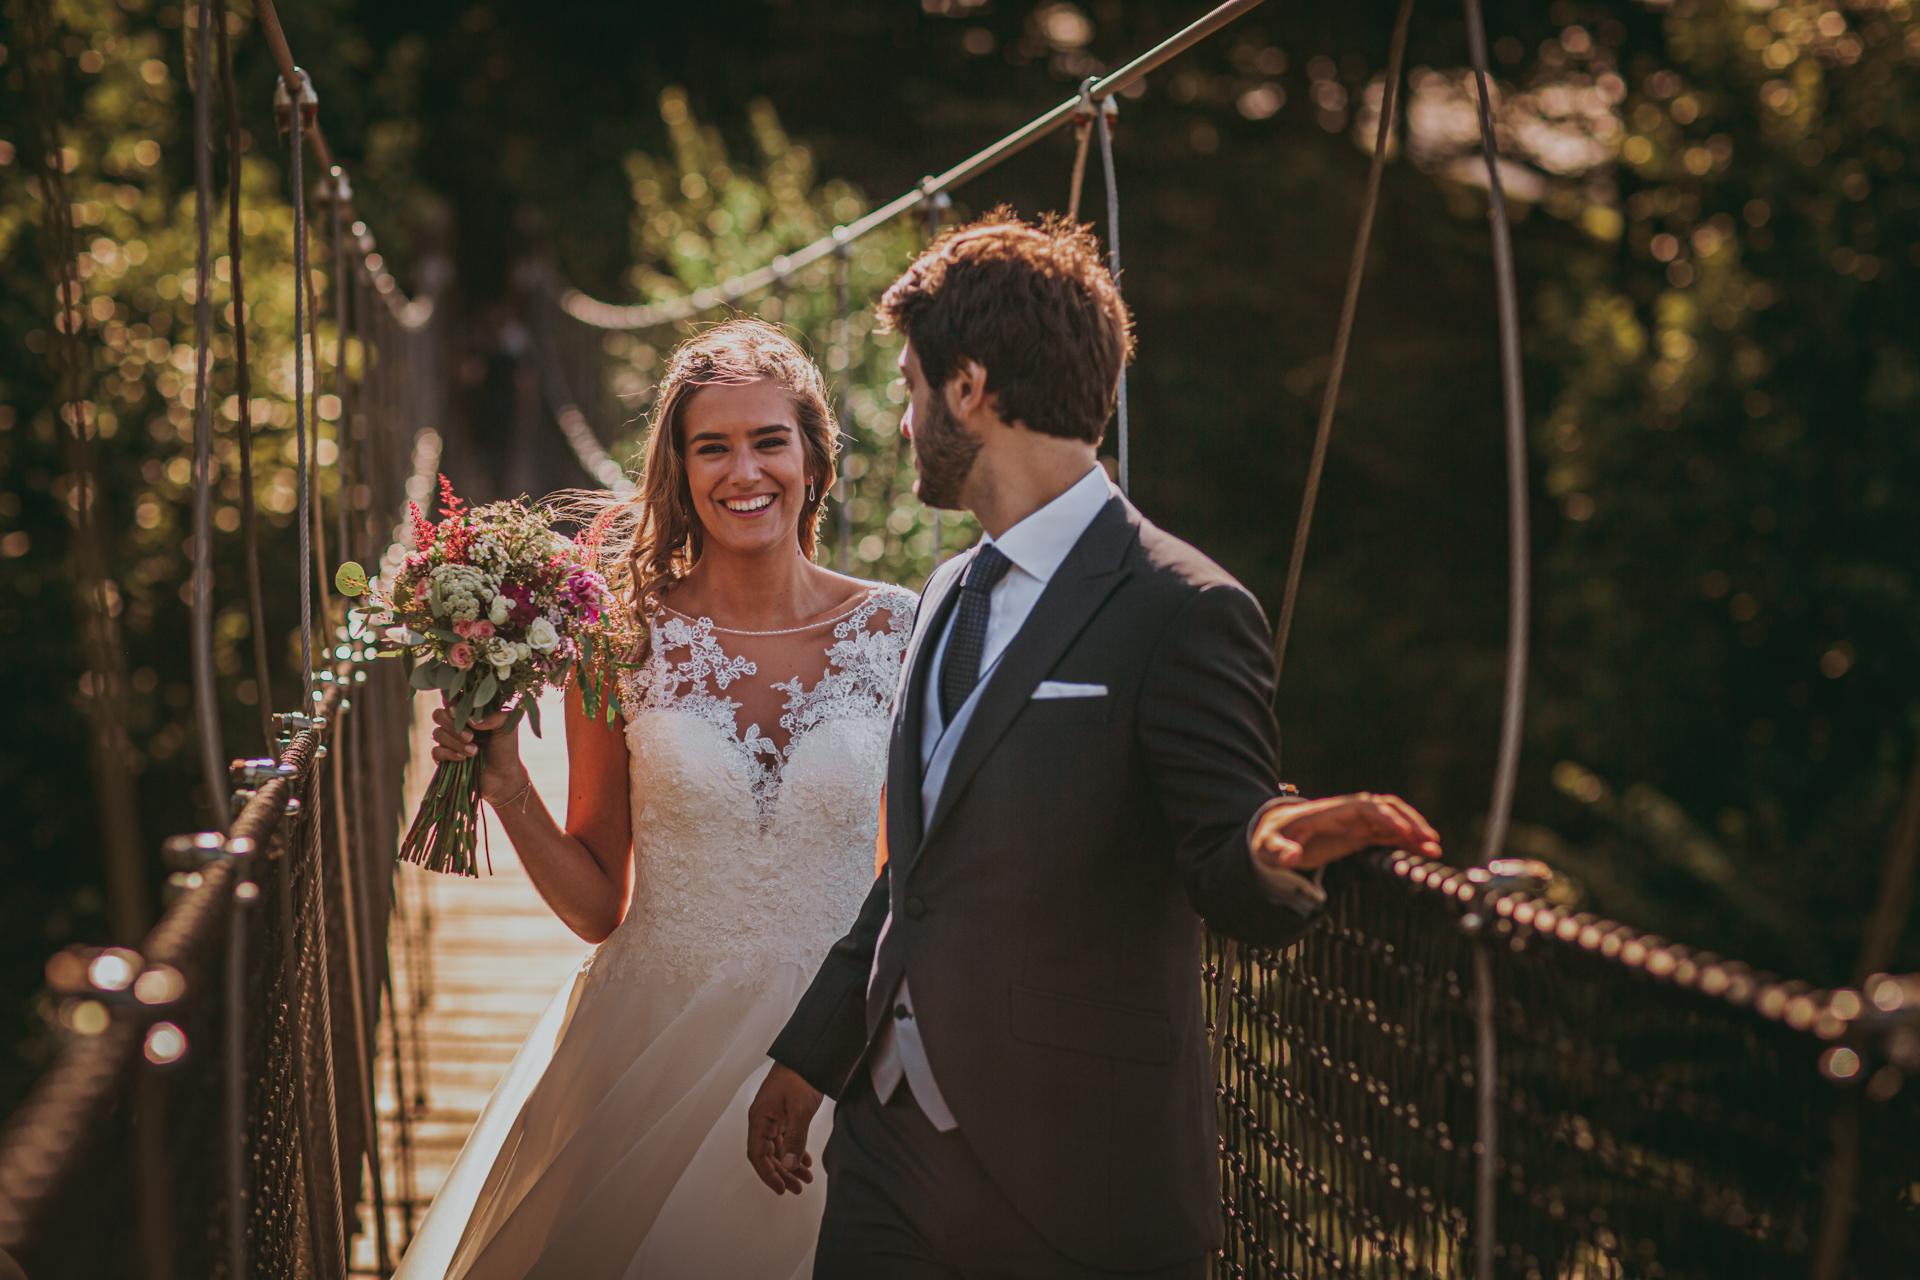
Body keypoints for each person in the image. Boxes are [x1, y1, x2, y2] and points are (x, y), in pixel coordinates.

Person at [745, 214, 1444, 1279]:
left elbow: (1228, 854)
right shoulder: (945, 593)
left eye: (910, 386)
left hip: (1071, 1180)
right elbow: (917, 873)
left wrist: (1273, 840)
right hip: (885, 1149)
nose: (901, 418)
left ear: (970, 387)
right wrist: (815, 1049)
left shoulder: (1185, 607)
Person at [394, 320, 917, 1279]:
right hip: (649, 1046)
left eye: (769, 440)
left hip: (841, 1046)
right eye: (710, 446)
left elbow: (910, 881)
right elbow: (599, 906)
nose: (742, 471)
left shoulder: (900, 630)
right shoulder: (621, 640)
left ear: (814, 456)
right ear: (678, 469)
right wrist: (506, 784)